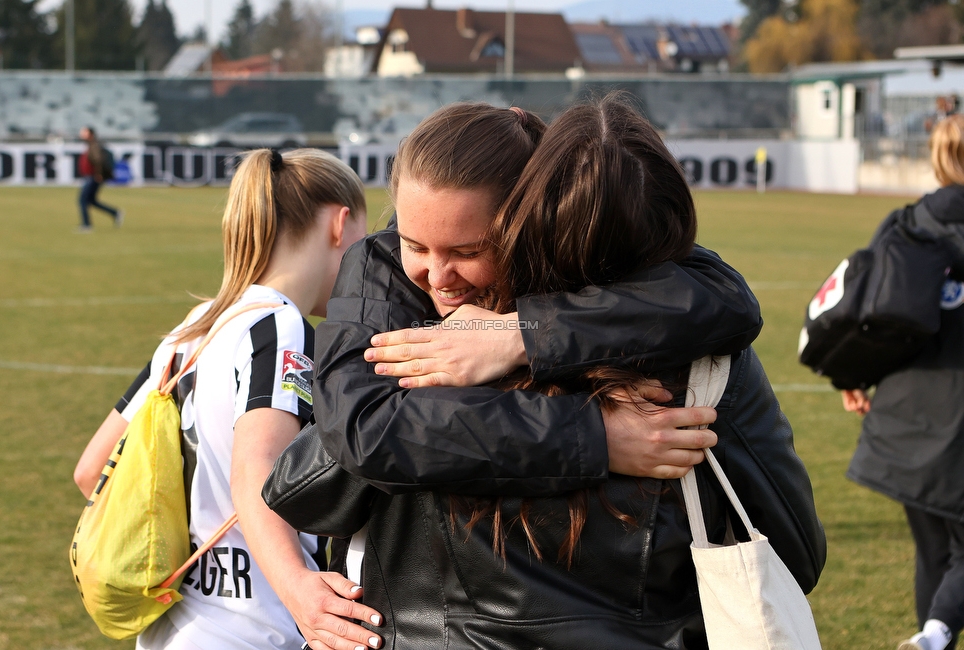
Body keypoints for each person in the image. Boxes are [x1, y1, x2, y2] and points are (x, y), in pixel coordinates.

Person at [266, 98, 824, 648]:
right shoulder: (403, 316)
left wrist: (521, 334)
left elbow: (306, 487)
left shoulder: (430, 366)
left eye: (468, 249)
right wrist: (597, 436)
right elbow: (793, 552)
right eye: (412, 244)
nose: (436, 277)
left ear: (521, 222)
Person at [73, 148, 384, 650]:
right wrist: (298, 586)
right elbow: (255, 466)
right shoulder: (280, 326)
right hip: (250, 630)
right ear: (341, 223)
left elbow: (92, 471)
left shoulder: (188, 333)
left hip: (172, 629)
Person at [843, 114, 964, 650]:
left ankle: (930, 634)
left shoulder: (906, 224)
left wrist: (852, 377)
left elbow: (866, 314)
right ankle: (936, 634)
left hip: (907, 417)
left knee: (934, 553)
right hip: (957, 420)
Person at [77, 126, 122, 233]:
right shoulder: (91, 144)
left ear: (90, 134)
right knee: (91, 200)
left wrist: (99, 174)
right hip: (91, 176)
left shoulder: (94, 145)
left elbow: (98, 160)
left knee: (82, 200)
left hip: (93, 177)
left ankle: (86, 225)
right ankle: (115, 213)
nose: (81, 133)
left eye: (84, 132)